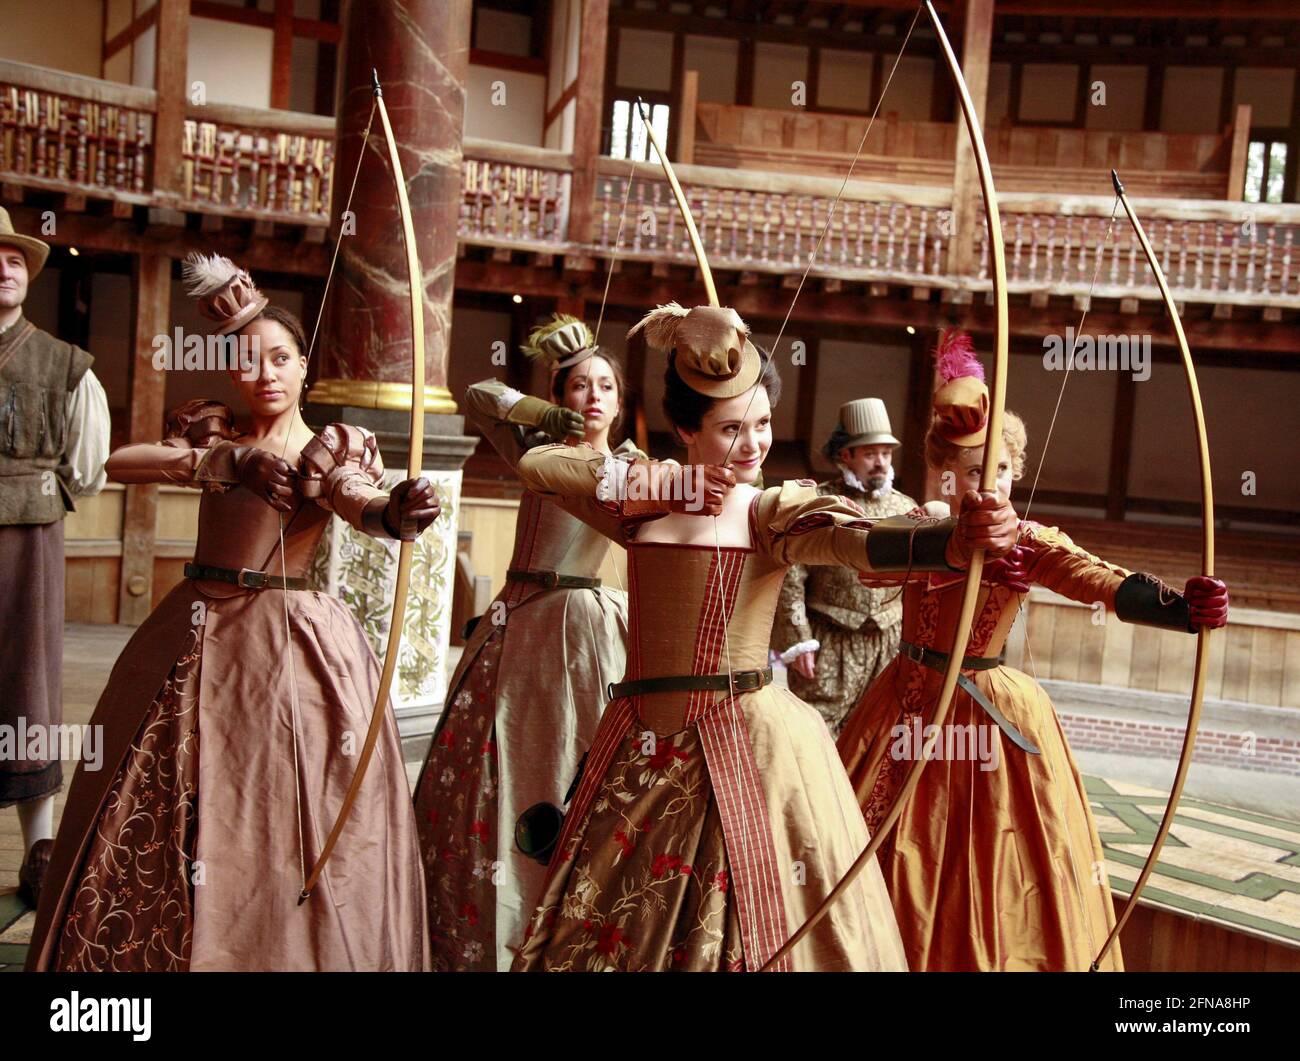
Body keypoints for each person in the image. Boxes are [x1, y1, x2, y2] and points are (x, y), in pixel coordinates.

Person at [509, 303, 1019, 972]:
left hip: (745, 745)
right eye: (730, 429)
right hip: (640, 745)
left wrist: (953, 538)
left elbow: (859, 538)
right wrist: (659, 482)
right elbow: (540, 465)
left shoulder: (769, 510)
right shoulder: (640, 507)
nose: (753, 446)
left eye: (762, 425)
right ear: (686, 429)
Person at [26, 254, 436, 971]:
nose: (266, 375)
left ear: (304, 366)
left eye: (281, 358)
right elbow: (118, 462)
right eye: (249, 362)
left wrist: (394, 510)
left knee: (279, 802)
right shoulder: (215, 435)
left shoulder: (329, 447)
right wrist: (223, 463)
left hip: (289, 642)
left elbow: (356, 499)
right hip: (191, 627)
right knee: (167, 789)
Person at [836, 329, 1231, 972]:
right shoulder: (917, 529)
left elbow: (1093, 577)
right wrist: (953, 542)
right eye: (971, 472)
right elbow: (871, 565)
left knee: (991, 859)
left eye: (1001, 471)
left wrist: (1180, 610)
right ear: (945, 474)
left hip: (992, 708)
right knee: (875, 843)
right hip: (906, 702)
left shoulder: (1029, 540)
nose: (988, 484)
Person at [412, 314, 640, 971]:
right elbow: (479, 393)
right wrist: (546, 416)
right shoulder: (535, 451)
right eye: (578, 387)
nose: (593, 396)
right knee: (491, 766)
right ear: (560, 396)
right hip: (517, 618)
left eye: (605, 387)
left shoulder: (633, 468)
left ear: (621, 404)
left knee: (569, 764)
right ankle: (479, 917)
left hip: (584, 633)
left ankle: (562, 918)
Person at [0, 208, 110, 910]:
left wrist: (33, 492)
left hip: (27, 541)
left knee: (25, 683)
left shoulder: (63, 362)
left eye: (13, 258)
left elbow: (89, 464)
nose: (4, 267)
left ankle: (39, 853)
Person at [773, 398, 917, 736]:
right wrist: (799, 641)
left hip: (888, 643)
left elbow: (917, 584)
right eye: (870, 454)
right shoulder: (820, 506)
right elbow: (790, 575)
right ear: (846, 455)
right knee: (813, 734)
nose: (880, 462)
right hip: (829, 641)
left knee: (877, 737)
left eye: (885, 453)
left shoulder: (907, 509)